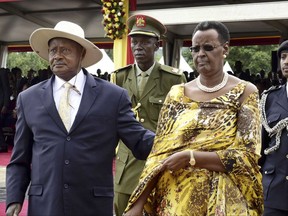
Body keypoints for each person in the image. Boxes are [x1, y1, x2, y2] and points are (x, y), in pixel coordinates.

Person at [5, 20, 154, 216]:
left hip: (92, 206)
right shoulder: (28, 99)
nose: (57, 56)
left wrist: (182, 139)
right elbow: (19, 159)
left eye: (65, 50)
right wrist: (14, 200)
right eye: (53, 50)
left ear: (82, 54)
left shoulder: (112, 96)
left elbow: (140, 142)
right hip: (45, 206)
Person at [124, 21, 263, 215]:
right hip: (176, 200)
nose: (200, 55)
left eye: (208, 48)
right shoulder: (176, 94)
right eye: (195, 49)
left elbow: (246, 157)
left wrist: (192, 158)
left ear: (225, 49)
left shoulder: (245, 92)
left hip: (224, 200)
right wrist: (137, 205)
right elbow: (158, 155)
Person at [111, 14, 186, 216]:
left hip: (160, 161)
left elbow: (181, 123)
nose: (138, 47)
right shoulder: (119, 77)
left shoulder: (173, 79)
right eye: (134, 41)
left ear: (157, 45)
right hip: (127, 163)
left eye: (145, 42)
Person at [259, 40, 288, 216]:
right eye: (283, 57)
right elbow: (260, 148)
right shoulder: (269, 98)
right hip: (274, 190)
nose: (286, 62)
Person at [0, 67, 11, 152]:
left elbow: (6, 89)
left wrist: (5, 105)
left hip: (1, 105)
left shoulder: (2, 72)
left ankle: (3, 145)